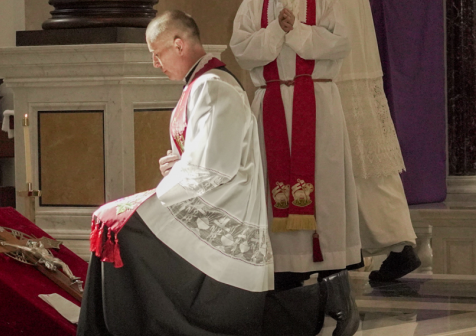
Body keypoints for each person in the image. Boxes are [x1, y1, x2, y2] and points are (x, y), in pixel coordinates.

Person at [78, 9, 358, 336]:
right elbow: (205, 158)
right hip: (217, 202)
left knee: (120, 229)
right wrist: (177, 166)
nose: (156, 63)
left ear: (179, 44)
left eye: (157, 54)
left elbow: (213, 171)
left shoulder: (213, 88)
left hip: (226, 212)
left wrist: (168, 181)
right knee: (113, 222)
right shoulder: (200, 85)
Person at [230, 0, 361, 334]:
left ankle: (339, 302)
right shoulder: (253, 4)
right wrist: (277, 30)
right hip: (270, 103)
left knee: (325, 199)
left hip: (317, 106)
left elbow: (343, 41)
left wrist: (297, 30)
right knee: (271, 200)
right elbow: (242, 49)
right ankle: (289, 307)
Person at [335, 0, 420, 282]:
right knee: (358, 159)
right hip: (341, 62)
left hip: (339, 67)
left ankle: (395, 244)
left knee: (363, 158)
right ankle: (361, 247)